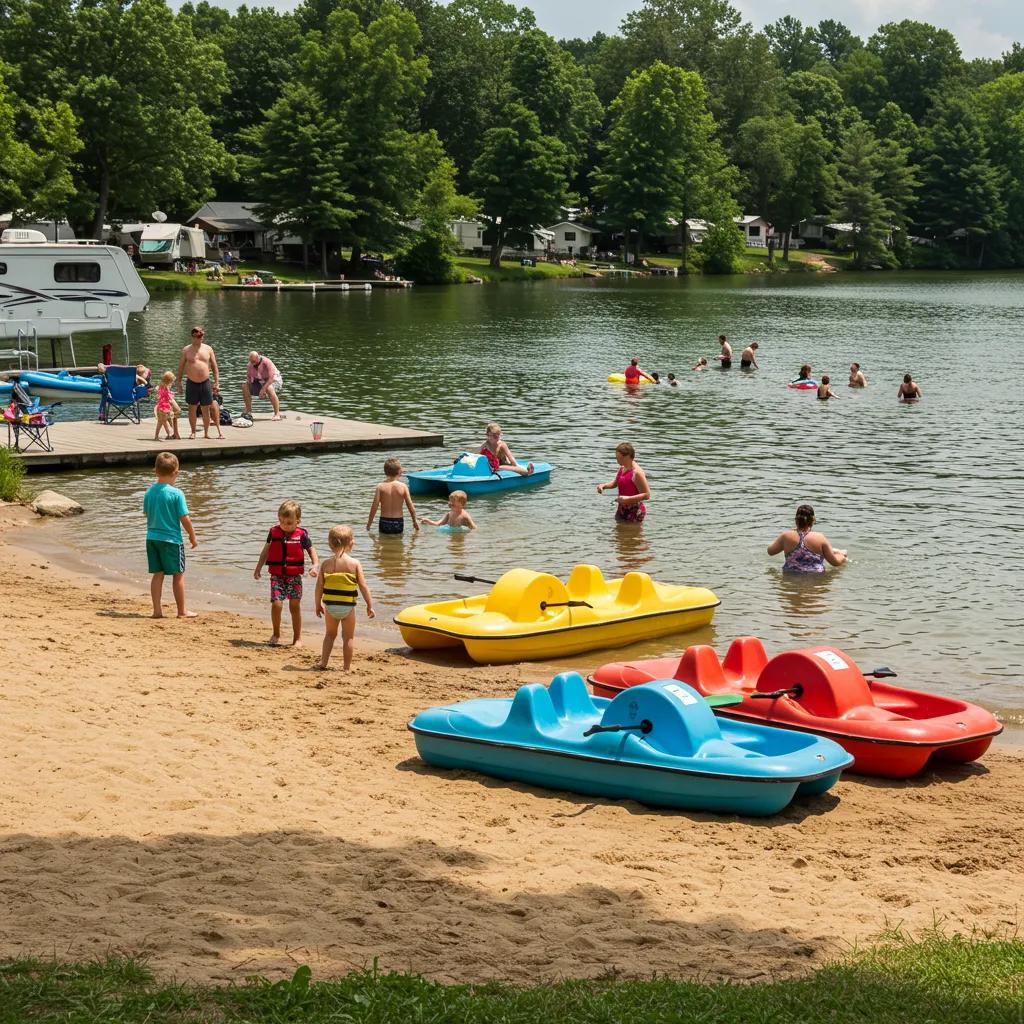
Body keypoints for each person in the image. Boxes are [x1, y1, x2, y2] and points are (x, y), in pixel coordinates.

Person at [254, 499, 320, 646]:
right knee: (276, 604)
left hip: (294, 576)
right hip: (277, 576)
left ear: (298, 521)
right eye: (282, 521)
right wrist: (258, 567)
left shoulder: (302, 535)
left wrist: (315, 565)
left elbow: (311, 550)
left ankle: (297, 638)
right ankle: (276, 633)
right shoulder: (274, 532)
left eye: (289, 523)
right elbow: (266, 550)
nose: (284, 525)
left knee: (294, 606)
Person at [143, 452, 198, 618]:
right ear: (176, 473)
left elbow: (147, 514)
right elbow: (184, 518)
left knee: (157, 574)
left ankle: (157, 611)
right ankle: (182, 610)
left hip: (151, 538)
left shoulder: (149, 492)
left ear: (156, 471)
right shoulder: (176, 493)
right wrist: (192, 536)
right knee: (178, 574)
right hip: (172, 540)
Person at [315, 526, 375, 672]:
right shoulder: (355, 564)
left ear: (330, 545)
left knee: (329, 635)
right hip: (348, 608)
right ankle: (346, 668)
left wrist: (317, 605)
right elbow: (363, 586)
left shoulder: (325, 564)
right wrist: (369, 605)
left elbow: (319, 588)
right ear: (351, 544)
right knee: (348, 638)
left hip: (330, 607)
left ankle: (323, 663)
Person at [767, 504, 847, 574]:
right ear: (813, 520)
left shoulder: (786, 536)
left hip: (790, 577)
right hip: (816, 580)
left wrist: (784, 542)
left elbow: (770, 551)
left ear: (796, 520)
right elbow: (835, 562)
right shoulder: (820, 537)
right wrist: (842, 557)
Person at [176, 326, 219, 439]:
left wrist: (217, 382)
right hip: (192, 382)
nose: (199, 338)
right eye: (197, 336)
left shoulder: (208, 349)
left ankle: (206, 433)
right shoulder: (186, 350)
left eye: (201, 336)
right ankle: (193, 431)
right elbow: (181, 367)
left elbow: (214, 367)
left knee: (206, 409)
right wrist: (179, 382)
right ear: (193, 336)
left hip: (205, 382)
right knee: (192, 408)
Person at [596, 442, 650, 523]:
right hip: (622, 508)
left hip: (635, 511)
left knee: (634, 535)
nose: (616, 460)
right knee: (619, 534)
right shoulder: (622, 468)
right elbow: (615, 483)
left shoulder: (637, 473)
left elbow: (647, 495)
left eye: (618, 458)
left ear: (627, 456)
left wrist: (628, 499)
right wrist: (603, 486)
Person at [367, 457, 420, 534]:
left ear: (385, 472)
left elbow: (374, 506)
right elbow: (410, 506)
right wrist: (415, 521)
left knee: (384, 543)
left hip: (384, 521)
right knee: (399, 544)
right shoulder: (403, 486)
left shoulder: (380, 486)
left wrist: (369, 523)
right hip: (398, 522)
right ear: (399, 472)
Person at [243, 351, 282, 420]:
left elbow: (271, 378)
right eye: (251, 361)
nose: (252, 363)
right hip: (260, 381)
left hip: (274, 380)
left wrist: (263, 390)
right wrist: (252, 390)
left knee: (268, 388)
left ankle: (277, 413)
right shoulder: (249, 365)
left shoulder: (267, 362)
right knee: (244, 386)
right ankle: (248, 411)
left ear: (258, 357)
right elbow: (249, 380)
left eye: (254, 361)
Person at [153, 371, 181, 441]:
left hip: (160, 406)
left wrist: (171, 393)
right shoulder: (166, 387)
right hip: (164, 407)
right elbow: (169, 397)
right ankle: (169, 434)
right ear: (169, 381)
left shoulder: (160, 385)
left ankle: (156, 436)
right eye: (171, 381)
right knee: (164, 422)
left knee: (160, 422)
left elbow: (161, 393)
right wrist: (172, 396)